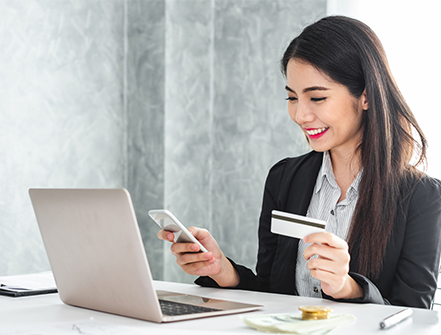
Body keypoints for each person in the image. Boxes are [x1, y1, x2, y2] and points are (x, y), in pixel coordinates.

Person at [157, 15, 441, 309]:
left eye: (317, 98)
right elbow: (270, 291)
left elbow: (414, 314)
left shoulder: (421, 197)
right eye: (292, 98)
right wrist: (220, 269)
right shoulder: (284, 178)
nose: (300, 115)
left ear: (366, 96)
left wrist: (348, 287)